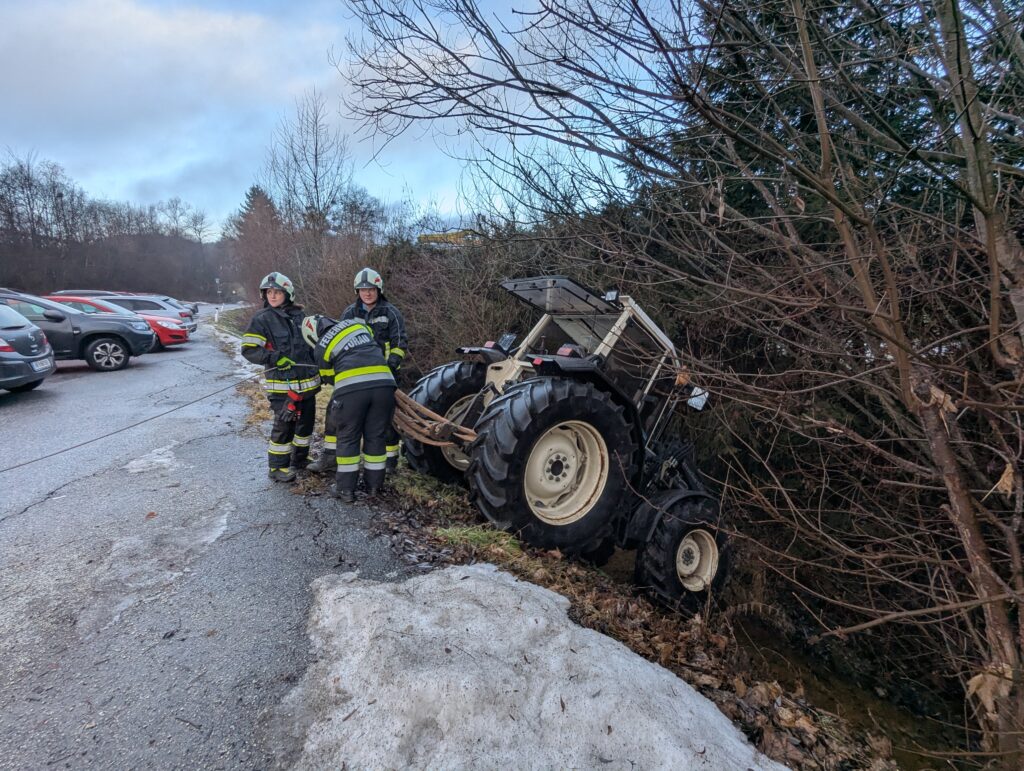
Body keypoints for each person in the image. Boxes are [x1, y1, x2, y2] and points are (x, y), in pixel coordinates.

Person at [301, 313, 397, 503]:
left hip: (352, 391)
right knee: (376, 437)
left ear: (311, 335)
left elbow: (329, 377)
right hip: (385, 385)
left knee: (348, 437)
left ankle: (345, 489)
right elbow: (375, 346)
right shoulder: (356, 325)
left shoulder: (321, 347)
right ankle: (374, 486)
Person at [241, 272, 320, 483]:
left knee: (306, 424)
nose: (273, 296)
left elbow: (312, 346)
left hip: (307, 386)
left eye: (277, 292)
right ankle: (277, 467)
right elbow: (249, 349)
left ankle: (299, 459)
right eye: (269, 292)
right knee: (284, 426)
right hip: (283, 387)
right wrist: (275, 358)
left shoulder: (301, 317)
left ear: (288, 294)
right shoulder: (262, 319)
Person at [338, 267, 407, 472]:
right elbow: (341, 341)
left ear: (379, 290)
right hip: (356, 377)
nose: (367, 293)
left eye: (371, 289)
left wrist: (391, 365)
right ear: (357, 291)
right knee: (357, 420)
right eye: (363, 289)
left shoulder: (391, 313)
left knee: (387, 420)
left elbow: (400, 343)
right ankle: (365, 460)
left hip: (385, 376)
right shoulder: (349, 313)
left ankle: (390, 461)